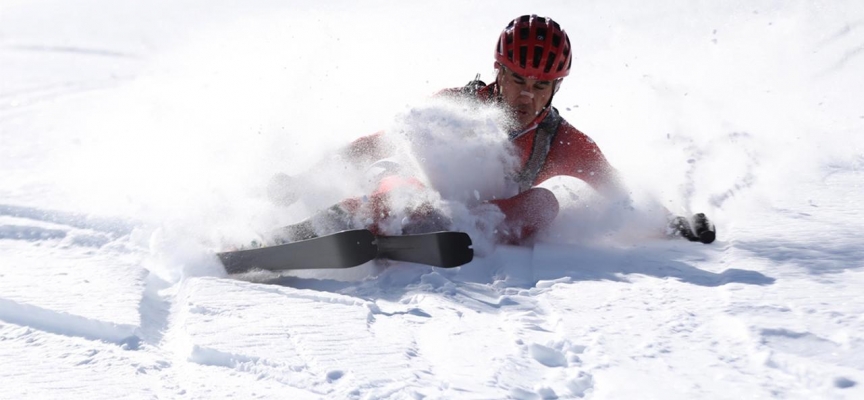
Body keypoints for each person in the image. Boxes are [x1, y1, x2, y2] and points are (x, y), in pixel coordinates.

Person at [268, 14, 714, 246]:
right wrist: (304, 179)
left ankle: (456, 233)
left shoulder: (564, 143)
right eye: (519, 79)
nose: (527, 97)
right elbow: (377, 144)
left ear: (557, 87)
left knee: (545, 203)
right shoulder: (455, 106)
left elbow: (622, 200)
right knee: (402, 187)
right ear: (498, 72)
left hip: (480, 226)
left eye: (541, 87)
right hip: (411, 197)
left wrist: (677, 225)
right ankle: (300, 237)